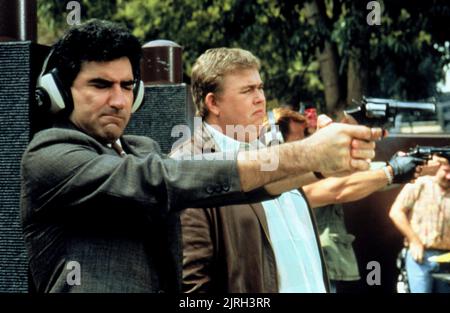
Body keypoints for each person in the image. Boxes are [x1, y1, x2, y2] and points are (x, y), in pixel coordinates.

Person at [20, 21, 381, 293]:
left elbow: (234, 191)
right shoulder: (50, 155)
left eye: (127, 86)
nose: (118, 100)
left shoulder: (140, 148)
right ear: (57, 92)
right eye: (100, 85)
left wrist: (319, 164)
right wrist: (305, 152)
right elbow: (161, 180)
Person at [170, 48, 385, 293]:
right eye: (247, 90)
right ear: (213, 102)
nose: (260, 97)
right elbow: (193, 290)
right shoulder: (189, 166)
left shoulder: (274, 153)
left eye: (259, 87)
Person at [267, 107, 425, 292]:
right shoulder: (282, 180)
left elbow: (356, 175)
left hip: (318, 265)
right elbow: (338, 189)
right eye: (302, 136)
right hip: (302, 267)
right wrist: (392, 171)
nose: (307, 141)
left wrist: (405, 168)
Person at [389, 161, 450, 293]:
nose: (449, 176)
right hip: (421, 257)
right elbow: (396, 212)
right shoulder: (419, 183)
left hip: (447, 259)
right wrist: (413, 240)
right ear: (437, 167)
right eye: (446, 171)